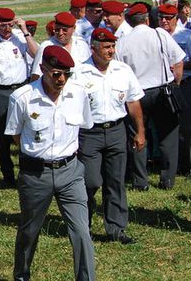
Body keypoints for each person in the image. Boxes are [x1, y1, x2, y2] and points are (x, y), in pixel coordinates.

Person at [5, 46, 96, 281]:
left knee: (81, 231)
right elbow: (16, 135)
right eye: (56, 73)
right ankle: (22, 274)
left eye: (67, 73)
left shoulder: (78, 93)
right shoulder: (23, 97)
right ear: (43, 69)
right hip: (36, 174)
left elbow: (84, 125)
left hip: (71, 172)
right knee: (30, 230)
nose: (62, 79)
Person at [73, 28, 144, 244]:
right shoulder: (79, 72)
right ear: (93, 48)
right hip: (89, 133)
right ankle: (81, 225)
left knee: (116, 181)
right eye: (106, 47)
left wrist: (140, 131)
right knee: (91, 180)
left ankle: (116, 228)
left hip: (116, 131)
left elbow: (133, 102)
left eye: (113, 46)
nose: (110, 51)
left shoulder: (123, 70)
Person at [116, 4, 185, 190]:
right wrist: (176, 83)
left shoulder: (121, 42)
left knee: (138, 135)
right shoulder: (160, 34)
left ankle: (140, 180)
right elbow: (178, 61)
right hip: (162, 90)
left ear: (129, 21)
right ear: (147, 19)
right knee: (168, 135)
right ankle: (168, 178)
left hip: (136, 95)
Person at [0, 8, 37, 187]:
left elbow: (37, 54)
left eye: (9, 25)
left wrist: (25, 31)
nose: (7, 29)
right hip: (1, 92)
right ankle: (8, 175)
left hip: (22, 88)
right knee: (3, 135)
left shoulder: (20, 36)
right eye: (3, 25)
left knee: (27, 129)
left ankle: (28, 171)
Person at [160, 4, 191, 177]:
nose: (164, 21)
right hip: (165, 85)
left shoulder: (187, 35)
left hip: (185, 83)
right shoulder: (157, 35)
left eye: (168, 18)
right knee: (168, 126)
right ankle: (175, 164)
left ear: (175, 19)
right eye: (161, 17)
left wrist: (179, 66)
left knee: (189, 125)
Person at [31, 12, 91, 77]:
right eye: (57, 30)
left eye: (64, 30)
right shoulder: (46, 46)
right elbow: (36, 74)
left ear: (74, 28)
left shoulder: (81, 43)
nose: (60, 33)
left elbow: (90, 67)